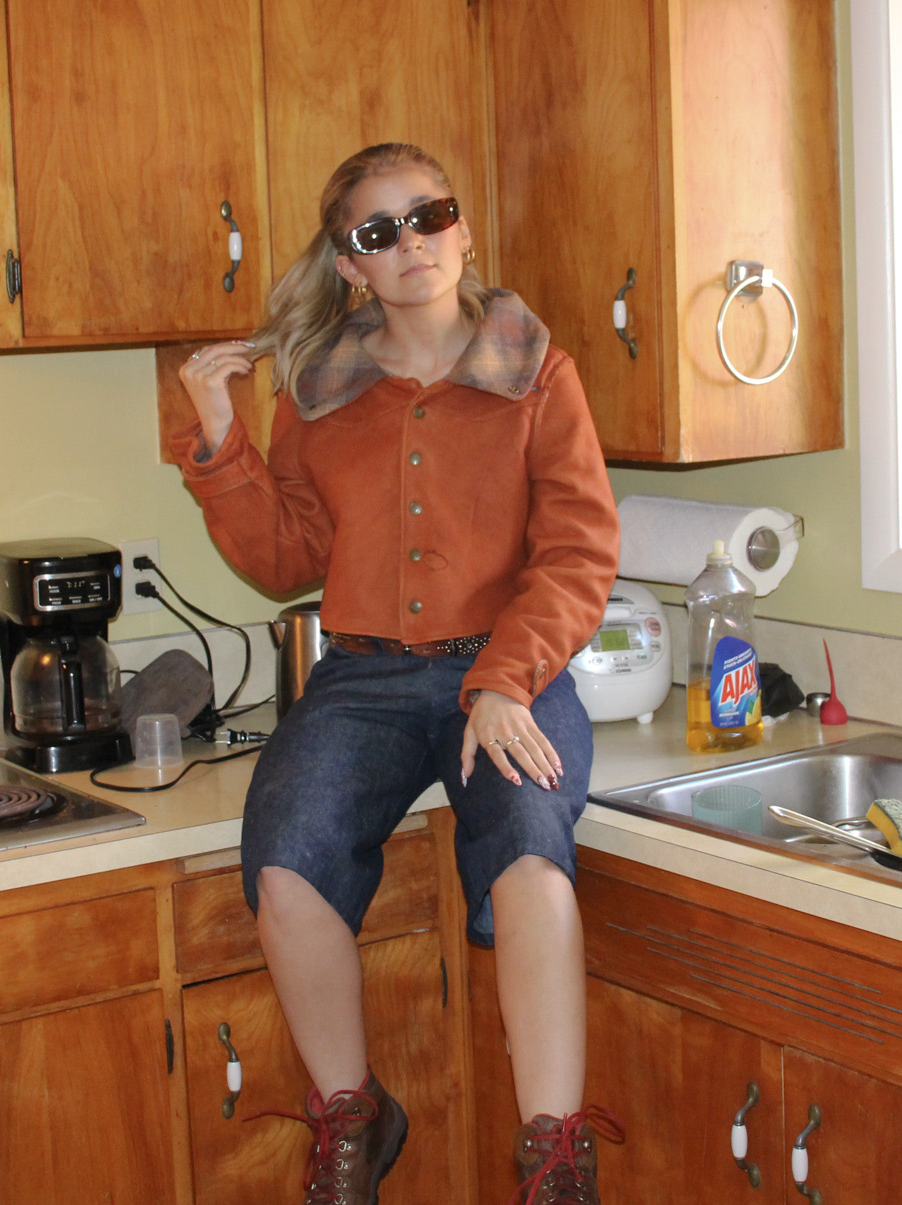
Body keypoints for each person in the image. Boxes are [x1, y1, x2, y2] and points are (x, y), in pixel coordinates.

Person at [173, 142, 623, 1204]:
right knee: (284, 863)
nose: (412, 242)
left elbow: (576, 552)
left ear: (461, 228)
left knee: (529, 857)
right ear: (351, 264)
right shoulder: (319, 390)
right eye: (379, 232)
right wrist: (220, 438)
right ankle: (353, 1115)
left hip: (505, 674)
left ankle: (555, 1157)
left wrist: (506, 679)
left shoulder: (538, 372)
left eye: (429, 215)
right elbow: (286, 557)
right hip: (365, 680)